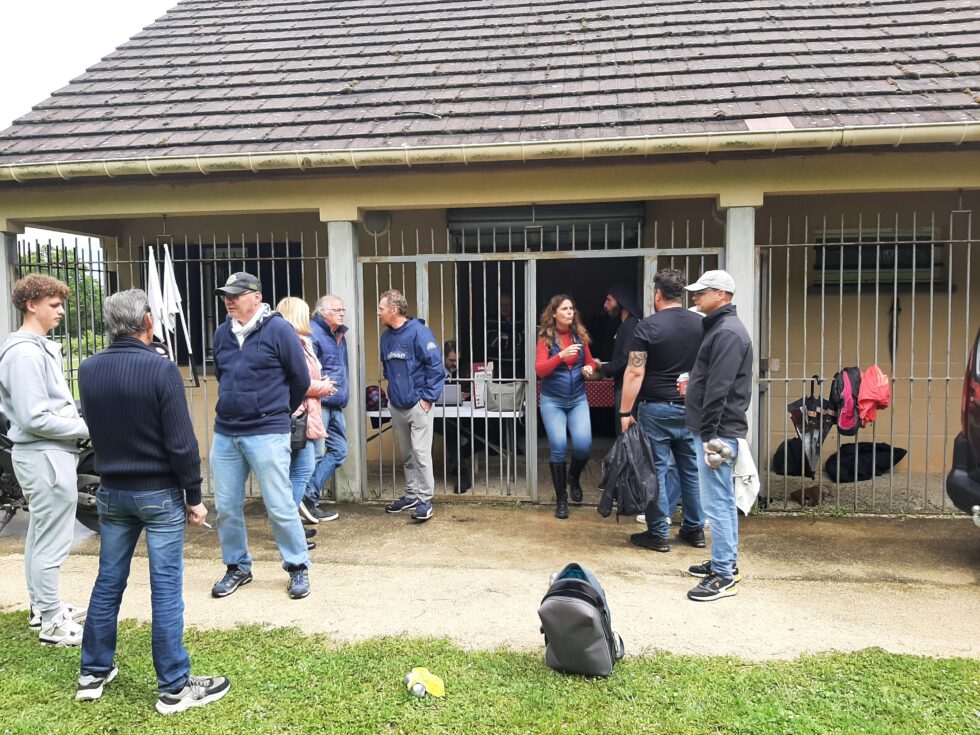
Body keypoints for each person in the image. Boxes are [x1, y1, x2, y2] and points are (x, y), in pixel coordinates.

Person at [76, 289, 230, 714]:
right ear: (147, 320)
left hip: (112, 491)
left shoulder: (88, 369)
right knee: (165, 587)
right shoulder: (160, 369)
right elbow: (182, 443)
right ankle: (174, 686)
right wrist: (194, 496)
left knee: (109, 582)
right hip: (158, 494)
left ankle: (93, 672)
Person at [209, 272, 313, 600]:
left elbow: (300, 379)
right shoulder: (222, 333)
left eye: (236, 294)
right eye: (226, 295)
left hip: (267, 431)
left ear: (256, 297)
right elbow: (222, 374)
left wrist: (276, 412)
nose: (229, 300)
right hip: (226, 431)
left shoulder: (279, 330)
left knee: (279, 505)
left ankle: (297, 566)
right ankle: (237, 566)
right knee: (226, 507)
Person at [0, 274, 89, 646]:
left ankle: (43, 608)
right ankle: (52, 621)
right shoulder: (23, 353)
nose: (61, 312)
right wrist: (87, 428)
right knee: (52, 540)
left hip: (47, 454)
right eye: (54, 305)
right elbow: (34, 417)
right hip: (44, 455)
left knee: (41, 537)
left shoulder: (35, 348)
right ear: (30, 304)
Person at [619, 269, 705, 553]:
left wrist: (624, 412)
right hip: (691, 407)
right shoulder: (701, 324)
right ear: (682, 294)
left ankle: (658, 533)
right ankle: (694, 529)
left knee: (655, 471)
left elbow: (635, 371)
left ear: (657, 294)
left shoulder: (647, 327)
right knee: (690, 470)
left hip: (656, 408)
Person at [683, 270, 754, 602]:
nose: (695, 297)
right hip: (719, 429)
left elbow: (718, 389)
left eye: (702, 292)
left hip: (718, 431)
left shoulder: (726, 332)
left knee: (718, 503)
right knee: (721, 500)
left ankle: (724, 575)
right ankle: (725, 562)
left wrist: (709, 435)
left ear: (721, 295)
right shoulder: (722, 328)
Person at [378, 289, 445, 521]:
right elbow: (387, 368)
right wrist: (392, 397)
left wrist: (427, 399)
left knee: (421, 453)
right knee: (407, 453)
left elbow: (436, 367)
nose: (378, 312)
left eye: (381, 308)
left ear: (394, 310)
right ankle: (411, 495)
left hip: (418, 404)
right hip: (397, 405)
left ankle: (425, 500)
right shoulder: (386, 337)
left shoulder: (419, 332)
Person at [275, 297, 335, 550]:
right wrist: (324, 386)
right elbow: (297, 382)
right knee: (300, 471)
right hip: (299, 415)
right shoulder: (292, 344)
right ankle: (288, 530)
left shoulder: (301, 342)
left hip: (306, 414)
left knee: (300, 470)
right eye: (305, 312)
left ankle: (291, 527)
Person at [535, 294, 596, 519]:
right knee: (559, 446)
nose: (570, 312)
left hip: (577, 399)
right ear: (554, 313)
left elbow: (590, 360)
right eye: (564, 309)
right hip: (553, 401)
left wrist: (589, 368)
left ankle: (573, 477)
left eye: (571, 308)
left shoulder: (579, 335)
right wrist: (560, 356)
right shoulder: (545, 339)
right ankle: (561, 499)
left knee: (583, 446)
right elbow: (540, 370)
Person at [303, 294, 350, 523]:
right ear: (322, 312)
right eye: (337, 310)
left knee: (339, 451)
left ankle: (306, 497)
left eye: (343, 310)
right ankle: (307, 501)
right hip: (319, 404)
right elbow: (308, 373)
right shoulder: (313, 333)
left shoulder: (338, 334)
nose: (342, 314)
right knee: (315, 455)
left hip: (336, 404)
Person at [596, 284, 642, 434]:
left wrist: (602, 368)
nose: (605, 305)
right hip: (624, 386)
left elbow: (626, 360)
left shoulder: (631, 325)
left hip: (627, 388)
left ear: (621, 301)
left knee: (627, 435)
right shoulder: (625, 325)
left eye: (609, 300)